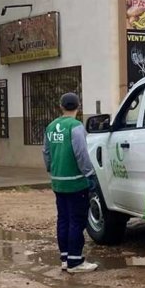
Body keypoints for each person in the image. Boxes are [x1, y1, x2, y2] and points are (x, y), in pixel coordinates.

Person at [43, 92, 98, 274]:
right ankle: (76, 261)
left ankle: (65, 258)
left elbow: (46, 152)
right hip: (75, 183)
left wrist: (52, 169)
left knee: (63, 219)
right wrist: (90, 174)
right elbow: (81, 153)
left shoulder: (51, 127)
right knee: (77, 220)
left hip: (58, 182)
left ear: (61, 106)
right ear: (78, 107)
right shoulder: (76, 126)